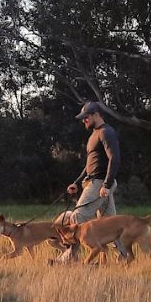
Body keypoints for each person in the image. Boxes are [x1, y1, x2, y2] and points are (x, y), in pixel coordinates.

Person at [54, 100, 121, 263]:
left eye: (86, 117)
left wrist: (106, 184)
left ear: (96, 115)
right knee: (110, 225)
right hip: (94, 182)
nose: (84, 120)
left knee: (78, 217)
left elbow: (115, 158)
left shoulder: (107, 132)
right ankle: (123, 257)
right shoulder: (94, 135)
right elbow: (90, 164)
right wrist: (76, 183)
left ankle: (67, 260)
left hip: (99, 184)